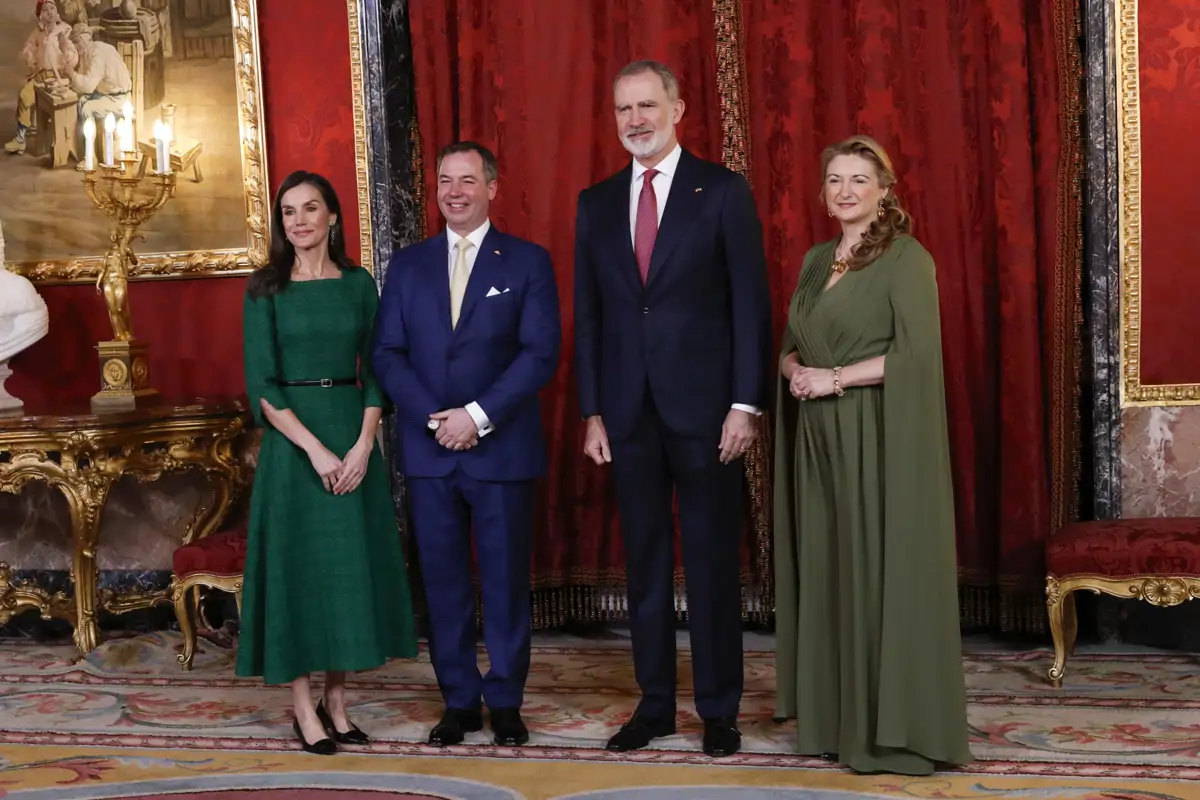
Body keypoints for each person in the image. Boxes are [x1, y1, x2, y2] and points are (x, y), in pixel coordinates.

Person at [573, 60, 771, 758]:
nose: (636, 120)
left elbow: (750, 304)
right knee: (646, 567)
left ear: (678, 108)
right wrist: (592, 410)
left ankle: (718, 710)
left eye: (647, 105)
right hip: (627, 415)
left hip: (708, 411)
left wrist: (746, 404)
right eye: (624, 109)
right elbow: (590, 317)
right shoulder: (595, 204)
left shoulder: (720, 191)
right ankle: (655, 705)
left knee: (714, 565)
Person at [772, 135, 973, 775]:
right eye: (834, 179)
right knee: (830, 570)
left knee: (873, 569)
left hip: (873, 435)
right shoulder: (813, 261)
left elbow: (915, 357)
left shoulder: (907, 258)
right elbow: (791, 342)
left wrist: (833, 380)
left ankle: (887, 730)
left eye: (859, 179)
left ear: (885, 190)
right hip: (818, 442)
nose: (846, 191)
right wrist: (794, 369)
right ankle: (833, 720)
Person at [373, 141, 561, 749]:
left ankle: (504, 699)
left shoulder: (527, 262)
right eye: (445, 181)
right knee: (445, 584)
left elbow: (539, 354)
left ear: (492, 188)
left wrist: (476, 417)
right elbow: (387, 353)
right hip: (430, 451)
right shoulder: (407, 265)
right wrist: (437, 419)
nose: (455, 191)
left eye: (468, 180)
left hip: (500, 451)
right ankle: (458, 700)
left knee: (505, 583)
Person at [238, 170, 418, 755]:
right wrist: (315, 449)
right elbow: (262, 385)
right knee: (299, 573)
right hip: (295, 448)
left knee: (346, 571)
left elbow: (379, 370)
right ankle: (301, 707)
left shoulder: (360, 283)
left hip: (351, 430)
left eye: (310, 209)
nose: (299, 221)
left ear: (333, 216)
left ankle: (337, 703)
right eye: (288, 212)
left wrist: (363, 445)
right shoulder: (264, 289)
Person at [7, 1, 78, 155]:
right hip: (40, 76)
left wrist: (65, 46)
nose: (50, 12)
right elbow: (28, 47)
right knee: (25, 96)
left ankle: (63, 141)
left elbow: (73, 58)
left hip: (58, 78)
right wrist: (30, 56)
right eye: (45, 10)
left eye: (52, 8)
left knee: (57, 105)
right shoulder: (37, 32)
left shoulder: (64, 30)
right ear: (40, 15)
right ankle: (20, 139)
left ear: (57, 12)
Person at [64, 23, 133, 147]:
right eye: (73, 43)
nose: (75, 46)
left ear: (84, 39)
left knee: (86, 109)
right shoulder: (87, 53)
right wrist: (72, 80)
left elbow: (88, 86)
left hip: (120, 99)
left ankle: (91, 154)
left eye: (76, 42)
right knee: (81, 101)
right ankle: (81, 148)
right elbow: (83, 82)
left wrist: (72, 74)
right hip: (107, 94)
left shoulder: (97, 53)